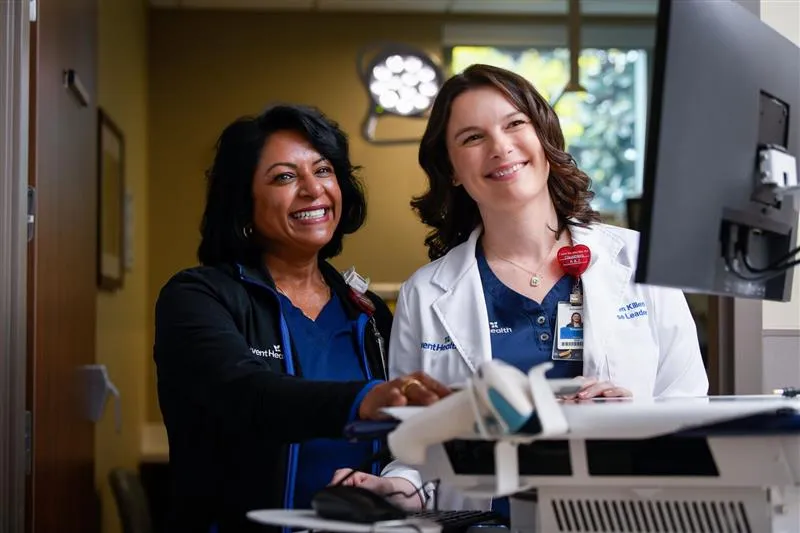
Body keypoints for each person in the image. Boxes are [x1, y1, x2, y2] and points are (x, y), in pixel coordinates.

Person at [340, 64, 709, 513]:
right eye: (472, 138)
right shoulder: (425, 293)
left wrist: (628, 419)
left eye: (515, 124)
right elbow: (415, 448)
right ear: (452, 169)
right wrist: (395, 490)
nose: (501, 147)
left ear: (546, 140)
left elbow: (688, 409)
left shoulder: (637, 262)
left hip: (619, 514)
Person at [153, 103, 450, 533]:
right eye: (285, 177)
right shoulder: (198, 298)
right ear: (243, 201)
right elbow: (247, 395)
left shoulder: (367, 313)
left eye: (324, 170)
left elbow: (401, 451)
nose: (313, 190)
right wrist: (363, 399)